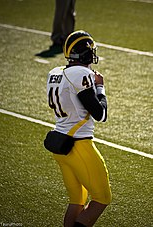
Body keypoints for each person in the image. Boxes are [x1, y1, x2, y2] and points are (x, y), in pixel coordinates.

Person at [45, 30, 112, 227]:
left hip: (60, 144)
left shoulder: (55, 73)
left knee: (77, 202)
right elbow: (101, 114)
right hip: (79, 145)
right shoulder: (82, 74)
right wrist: (100, 88)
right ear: (85, 54)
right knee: (102, 198)